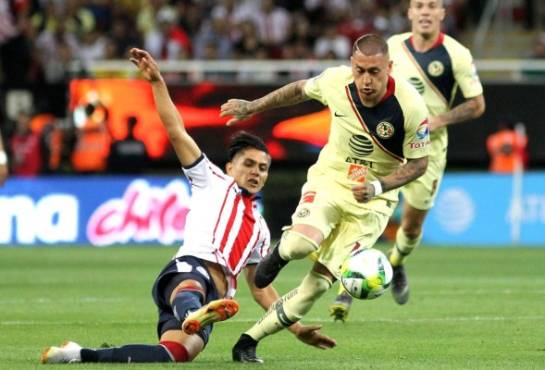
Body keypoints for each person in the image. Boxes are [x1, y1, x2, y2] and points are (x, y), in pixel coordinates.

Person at [40, 48, 335, 364]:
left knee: (174, 355)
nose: (255, 172)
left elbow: (262, 290)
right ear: (230, 166)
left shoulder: (261, 232)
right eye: (248, 164)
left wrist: (297, 328)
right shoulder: (211, 180)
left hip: (216, 298)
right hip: (186, 274)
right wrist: (157, 82)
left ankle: (76, 354)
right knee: (192, 290)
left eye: (262, 168)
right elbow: (175, 130)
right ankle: (192, 311)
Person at [220, 34, 430, 363]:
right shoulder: (335, 81)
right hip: (332, 180)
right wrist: (253, 106)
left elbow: (419, 164)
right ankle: (279, 254)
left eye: (374, 72)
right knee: (300, 246)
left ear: (389, 68)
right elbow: (297, 90)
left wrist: (378, 187)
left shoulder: (411, 106)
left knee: (317, 287)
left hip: (372, 203)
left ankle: (248, 342)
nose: (366, 80)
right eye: (359, 70)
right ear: (351, 65)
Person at [330, 0, 486, 321]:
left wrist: (439, 121)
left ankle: (397, 262)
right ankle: (346, 288)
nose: (426, 11)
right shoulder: (392, 50)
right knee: (363, 213)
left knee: (412, 227)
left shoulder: (457, 54)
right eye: (419, 5)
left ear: (443, 13)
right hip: (384, 144)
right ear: (410, 13)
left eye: (432, 5)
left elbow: (477, 104)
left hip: (427, 150)